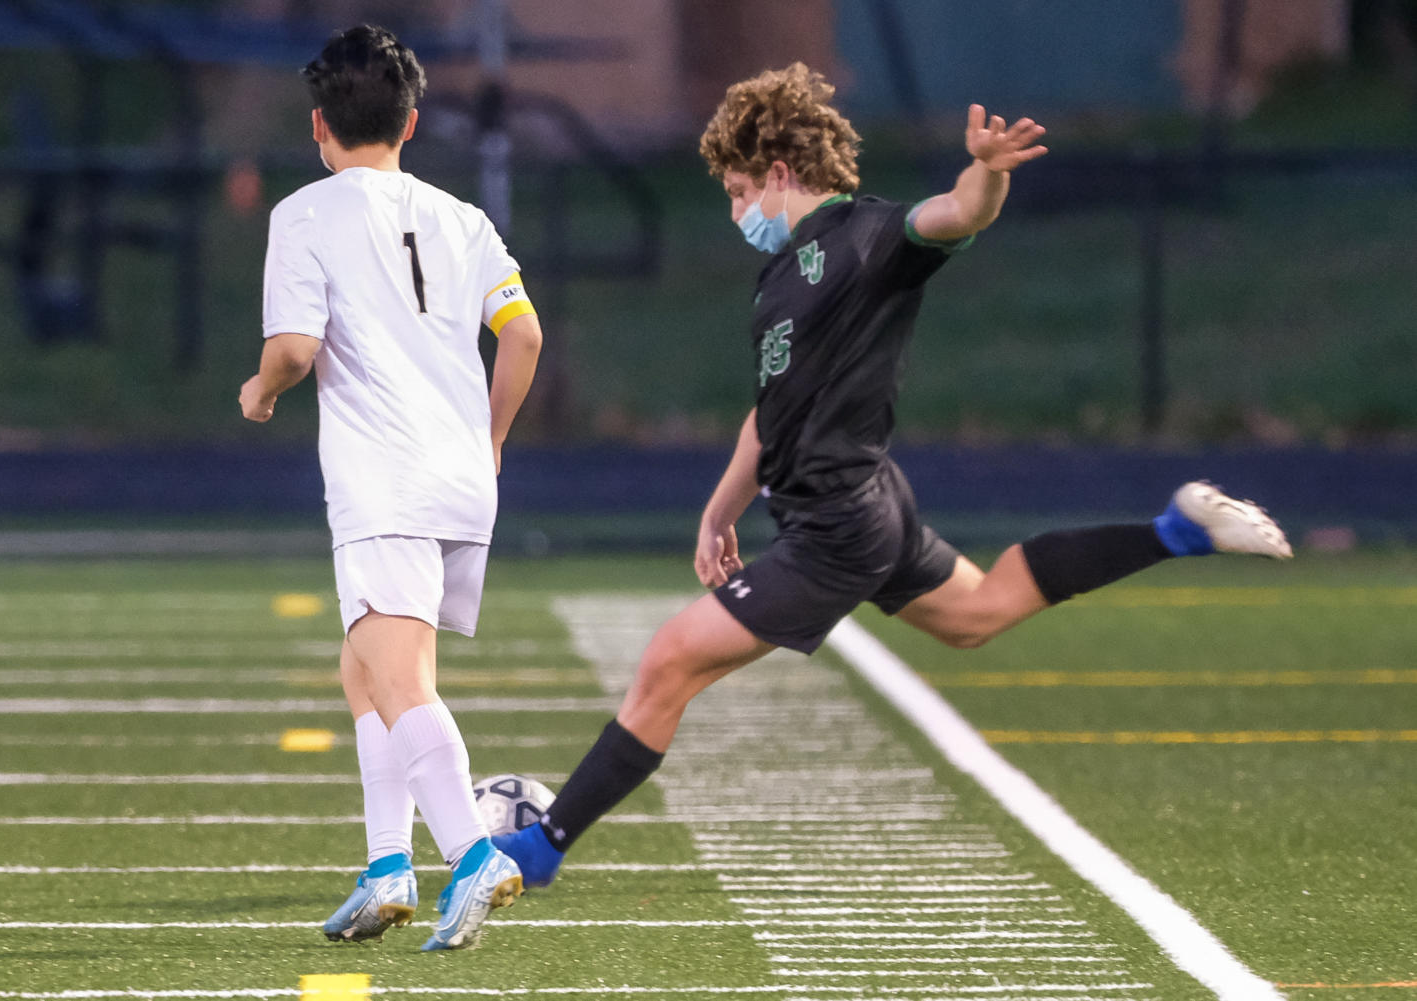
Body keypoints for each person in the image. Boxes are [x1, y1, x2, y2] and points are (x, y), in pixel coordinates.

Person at [493, 63, 1291, 887]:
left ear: (776, 172)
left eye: (736, 191)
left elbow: (951, 216)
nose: (735, 213)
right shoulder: (782, 274)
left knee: (667, 661)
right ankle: (1176, 530)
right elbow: (771, 412)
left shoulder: (864, 238)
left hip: (839, 523)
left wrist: (984, 171)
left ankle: (539, 846)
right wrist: (718, 511)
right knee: (976, 613)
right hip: (864, 504)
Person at [238, 24, 544, 950]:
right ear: (411, 122)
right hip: (458, 474)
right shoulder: (464, 217)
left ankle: (473, 855)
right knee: (364, 669)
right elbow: (523, 337)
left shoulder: (305, 212)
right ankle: (385, 867)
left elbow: (294, 348)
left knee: (398, 676)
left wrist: (260, 389)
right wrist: (491, 439)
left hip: (386, 479)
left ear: (319, 126)